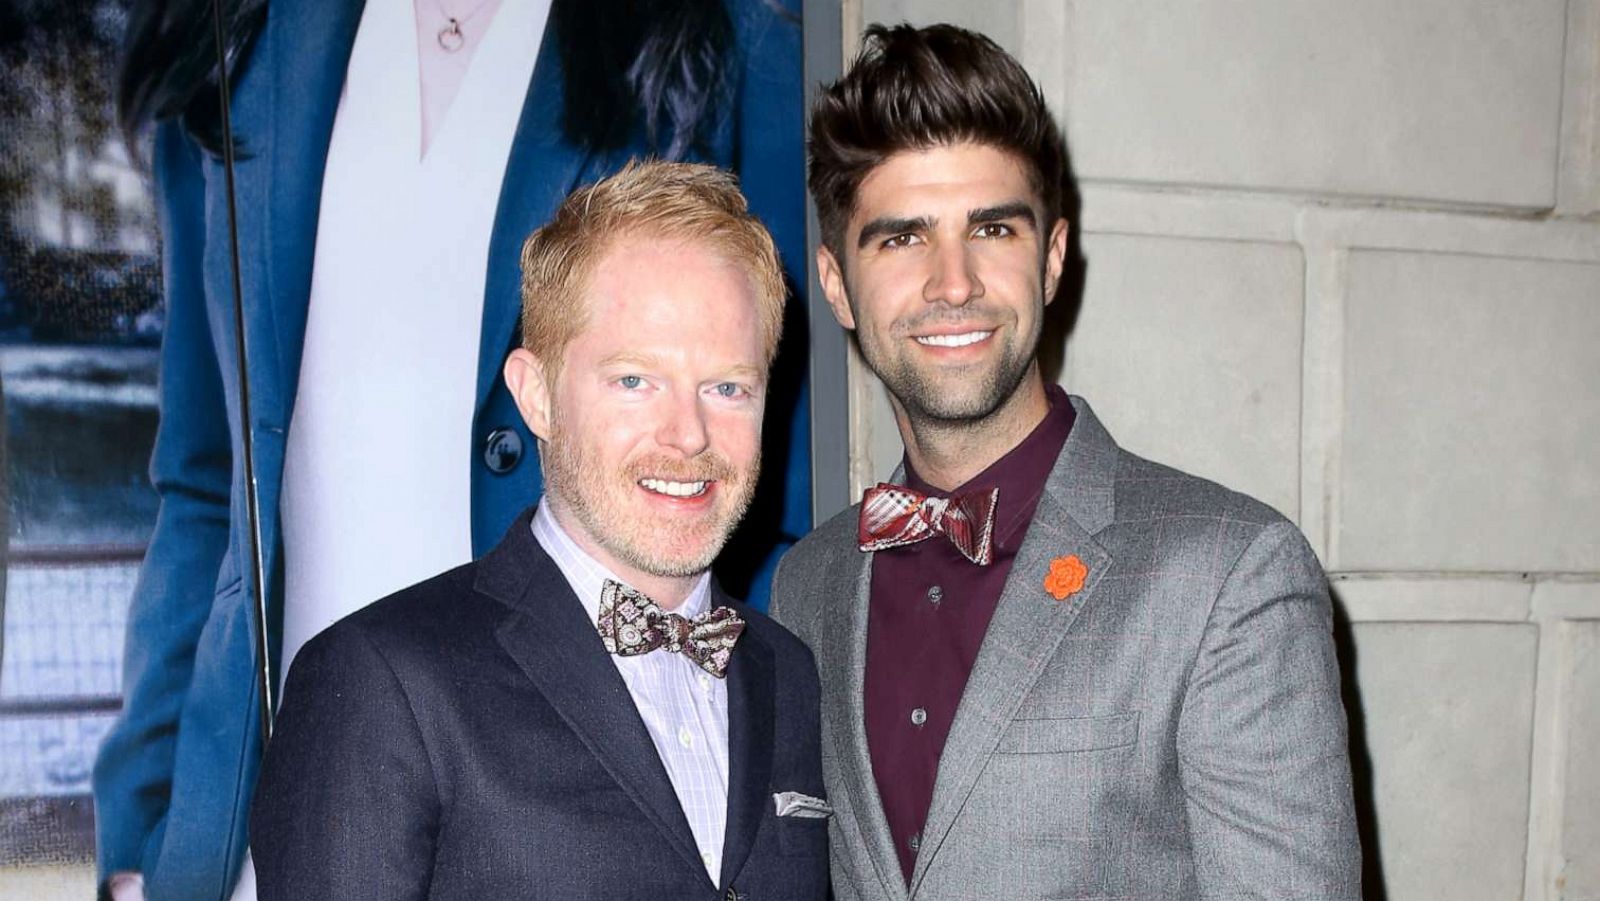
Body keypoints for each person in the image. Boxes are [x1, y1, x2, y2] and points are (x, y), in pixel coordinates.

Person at [93, 1, 807, 899]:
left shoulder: (726, 39)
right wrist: (148, 828)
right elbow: (206, 487)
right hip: (256, 848)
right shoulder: (234, 42)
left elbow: (779, 501)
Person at [769, 23, 1361, 900]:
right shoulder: (807, 583)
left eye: (992, 229)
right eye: (901, 239)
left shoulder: (1228, 574)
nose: (954, 281)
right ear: (834, 282)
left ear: (1049, 259)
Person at [249, 160, 828, 900]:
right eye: (634, 380)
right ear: (536, 395)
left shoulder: (787, 672)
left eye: (727, 387)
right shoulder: (380, 680)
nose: (688, 434)